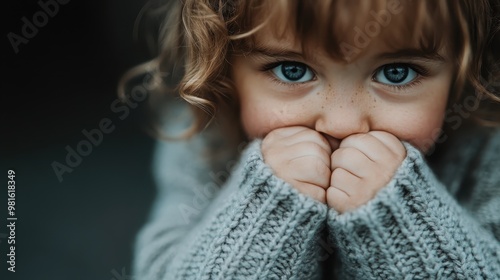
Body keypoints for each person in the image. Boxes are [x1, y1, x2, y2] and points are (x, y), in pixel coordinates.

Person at [124, 0, 500, 278]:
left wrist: (401, 216)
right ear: (224, 69)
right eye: (292, 70)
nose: (341, 123)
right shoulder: (205, 138)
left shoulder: (486, 149)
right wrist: (266, 208)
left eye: (396, 73)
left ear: (461, 77)